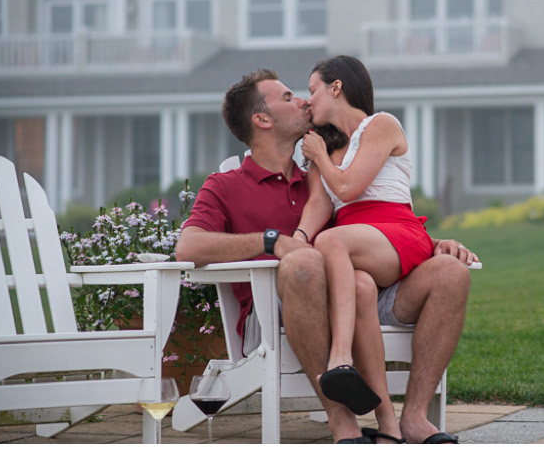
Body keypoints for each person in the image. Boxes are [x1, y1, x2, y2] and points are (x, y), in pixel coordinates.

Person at [174, 68, 477, 444]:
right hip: (272, 313)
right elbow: (188, 247)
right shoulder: (226, 185)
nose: (303, 99)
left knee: (449, 272)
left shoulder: (322, 176)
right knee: (305, 261)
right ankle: (342, 421)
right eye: (288, 97)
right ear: (262, 119)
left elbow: (373, 219)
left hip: (357, 295)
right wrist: (272, 242)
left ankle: (412, 418)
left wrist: (434, 243)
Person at [293, 54, 437, 430]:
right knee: (358, 286)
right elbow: (319, 204)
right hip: (355, 246)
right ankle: (388, 422)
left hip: (395, 231)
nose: (308, 101)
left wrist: (321, 159)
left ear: (336, 87)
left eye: (313, 91)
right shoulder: (324, 147)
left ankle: (339, 360)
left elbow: (347, 186)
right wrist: (297, 239)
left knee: (332, 241)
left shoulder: (381, 125)